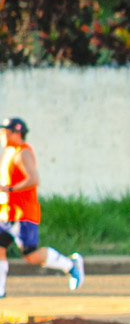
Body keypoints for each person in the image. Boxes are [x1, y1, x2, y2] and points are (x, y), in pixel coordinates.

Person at [0, 117, 84, 298]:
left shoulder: (23, 153)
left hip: (23, 213)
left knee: (30, 255)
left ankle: (70, 265)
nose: (2, 135)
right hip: (7, 212)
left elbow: (34, 179)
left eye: (6, 132)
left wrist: (10, 189)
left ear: (17, 133)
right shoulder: (8, 152)